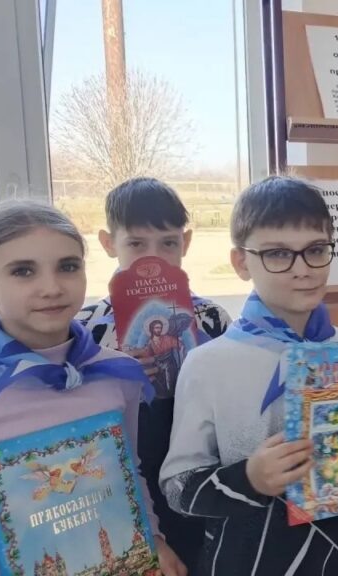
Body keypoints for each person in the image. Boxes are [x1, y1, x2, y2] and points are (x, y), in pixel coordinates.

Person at [159, 176, 338, 574]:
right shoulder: (208, 364)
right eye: (278, 254)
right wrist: (249, 478)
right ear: (241, 262)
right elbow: (177, 489)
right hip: (246, 562)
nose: (303, 270)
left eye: (316, 250)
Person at [0, 201, 184, 576]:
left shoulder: (118, 373)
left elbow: (128, 471)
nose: (51, 288)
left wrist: (153, 539)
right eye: (23, 271)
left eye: (68, 266)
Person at [74, 177, 232, 566]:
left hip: (198, 464)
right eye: (136, 244)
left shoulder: (211, 318)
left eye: (168, 243)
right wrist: (112, 370)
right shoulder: (86, 327)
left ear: (186, 242)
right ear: (108, 243)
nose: (153, 258)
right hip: (128, 468)